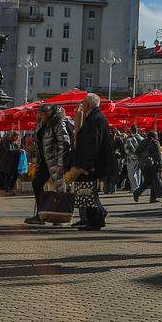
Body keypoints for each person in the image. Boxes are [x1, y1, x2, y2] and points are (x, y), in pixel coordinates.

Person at [66, 93, 115, 231]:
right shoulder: (96, 117)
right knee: (89, 192)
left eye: (83, 102)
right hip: (92, 161)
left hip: (91, 163)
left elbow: (92, 143)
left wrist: (87, 164)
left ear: (88, 104)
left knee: (88, 192)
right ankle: (96, 218)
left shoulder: (95, 119)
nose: (82, 105)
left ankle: (95, 221)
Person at [25, 104, 71, 226]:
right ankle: (41, 214)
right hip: (45, 161)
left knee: (59, 187)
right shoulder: (42, 124)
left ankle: (60, 216)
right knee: (37, 183)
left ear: (47, 113)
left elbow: (64, 144)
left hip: (55, 161)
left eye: (40, 114)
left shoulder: (58, 123)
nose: (39, 116)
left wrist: (61, 164)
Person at [132, 131, 162, 203]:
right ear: (155, 136)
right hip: (152, 165)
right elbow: (158, 155)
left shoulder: (143, 141)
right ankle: (138, 193)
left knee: (149, 181)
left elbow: (136, 152)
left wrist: (143, 158)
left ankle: (151, 197)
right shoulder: (155, 142)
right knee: (152, 180)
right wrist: (161, 166)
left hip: (143, 165)